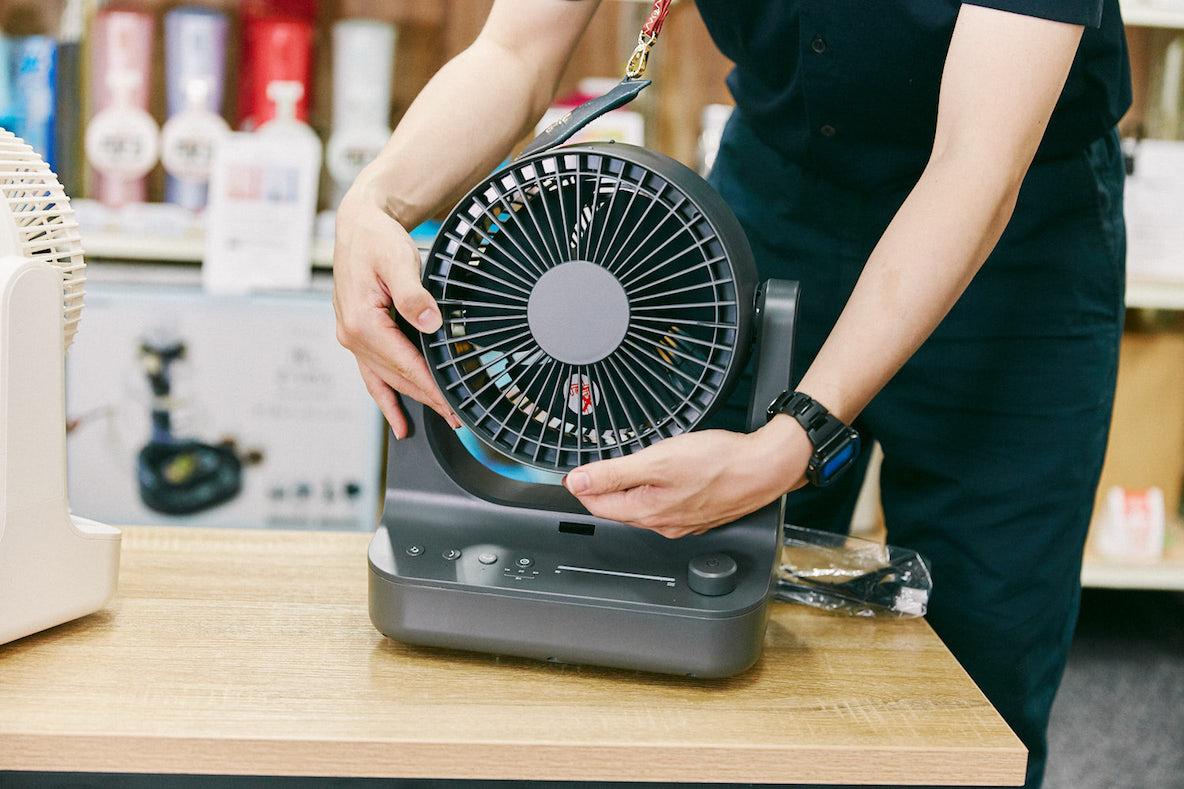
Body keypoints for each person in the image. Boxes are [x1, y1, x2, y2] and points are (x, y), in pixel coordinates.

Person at [332, 2, 1129, 786]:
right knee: (685, 628)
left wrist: (792, 439)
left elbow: (975, 162)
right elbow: (514, 51)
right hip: (774, 200)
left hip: (1019, 240)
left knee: (978, 665)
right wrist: (374, 202)